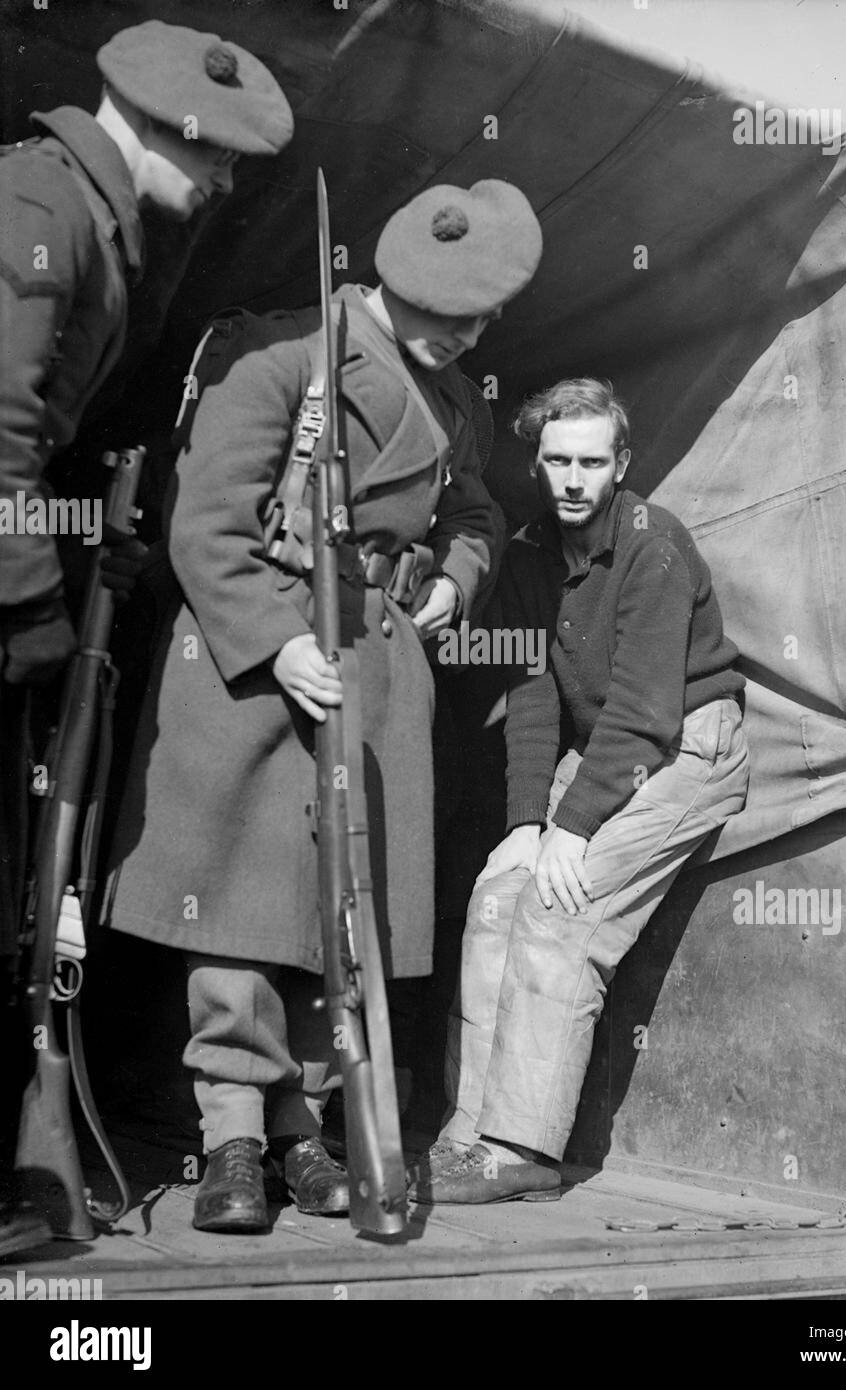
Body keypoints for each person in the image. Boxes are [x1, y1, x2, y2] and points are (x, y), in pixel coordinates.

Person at [102, 180, 543, 1233]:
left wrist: (455, 578)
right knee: (243, 909)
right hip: (260, 660)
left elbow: (474, 504)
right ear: (392, 282)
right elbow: (207, 523)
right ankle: (233, 1141)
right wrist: (278, 639)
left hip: (376, 672)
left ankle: (302, 1125)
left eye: (482, 320)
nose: (466, 336)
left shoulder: (457, 399)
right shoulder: (282, 354)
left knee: (343, 918)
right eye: (448, 316)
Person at [0, 19, 293, 1255]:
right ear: (164, 129)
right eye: (217, 158)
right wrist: (32, 609)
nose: (223, 183)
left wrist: (85, 545)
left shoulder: (99, 222)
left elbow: (45, 443)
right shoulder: (40, 201)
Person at [410, 377, 750, 1203]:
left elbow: (642, 713)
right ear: (537, 459)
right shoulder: (528, 554)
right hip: (604, 754)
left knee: (558, 914)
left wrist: (572, 829)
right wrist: (529, 823)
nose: (572, 479)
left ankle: (521, 1148)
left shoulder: (651, 544)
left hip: (683, 748)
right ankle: (469, 1134)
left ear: (620, 463)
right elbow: (530, 695)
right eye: (557, 459)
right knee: (497, 895)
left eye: (591, 462)